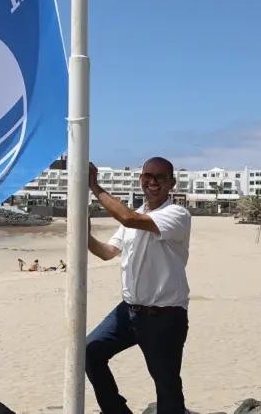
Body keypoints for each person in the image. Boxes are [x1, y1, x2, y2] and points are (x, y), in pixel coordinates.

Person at [85, 158, 192, 414]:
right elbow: (107, 252)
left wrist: (94, 187)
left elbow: (128, 218)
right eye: (148, 176)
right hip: (128, 311)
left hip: (164, 316)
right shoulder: (134, 218)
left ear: (171, 183)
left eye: (160, 177)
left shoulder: (177, 215)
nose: (153, 182)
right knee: (89, 352)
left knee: (166, 385)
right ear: (141, 179)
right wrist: (85, 236)